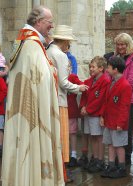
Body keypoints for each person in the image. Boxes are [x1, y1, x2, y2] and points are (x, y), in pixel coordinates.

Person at [1, 6, 64, 185]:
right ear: (38, 22)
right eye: (49, 22)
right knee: (32, 144)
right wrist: (53, 70)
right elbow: (42, 79)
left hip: (26, 109)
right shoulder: (31, 44)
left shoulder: (26, 40)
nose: (51, 26)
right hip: (33, 110)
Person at [45, 25, 88, 164]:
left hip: (48, 99)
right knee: (61, 137)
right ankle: (61, 170)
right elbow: (63, 82)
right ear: (64, 41)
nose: (69, 45)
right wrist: (78, 88)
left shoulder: (47, 51)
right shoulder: (60, 55)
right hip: (60, 100)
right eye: (68, 42)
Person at [107, 33, 133, 165]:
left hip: (129, 98)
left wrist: (119, 89)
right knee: (114, 127)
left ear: (128, 45)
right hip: (114, 97)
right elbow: (108, 76)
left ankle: (126, 156)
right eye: (118, 44)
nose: (120, 47)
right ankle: (116, 156)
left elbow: (132, 80)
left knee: (126, 128)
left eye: (123, 44)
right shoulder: (114, 58)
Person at [100, 56, 132, 178]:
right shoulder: (111, 83)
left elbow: (124, 107)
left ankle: (122, 168)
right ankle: (111, 166)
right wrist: (103, 116)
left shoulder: (125, 85)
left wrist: (121, 123)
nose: (107, 69)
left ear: (116, 69)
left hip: (119, 122)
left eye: (108, 67)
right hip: (109, 120)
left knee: (119, 145)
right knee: (110, 144)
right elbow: (106, 102)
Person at [79, 56, 109, 173]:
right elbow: (85, 95)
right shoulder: (89, 81)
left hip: (96, 114)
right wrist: (82, 107)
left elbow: (100, 99)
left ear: (101, 68)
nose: (91, 69)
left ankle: (100, 160)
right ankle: (95, 157)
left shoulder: (105, 81)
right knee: (93, 137)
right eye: (90, 67)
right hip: (88, 113)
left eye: (93, 67)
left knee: (99, 137)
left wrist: (88, 109)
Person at [67, 69, 84, 167]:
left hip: (71, 109)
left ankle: (73, 154)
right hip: (59, 109)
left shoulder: (72, 77)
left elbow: (81, 85)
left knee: (72, 133)